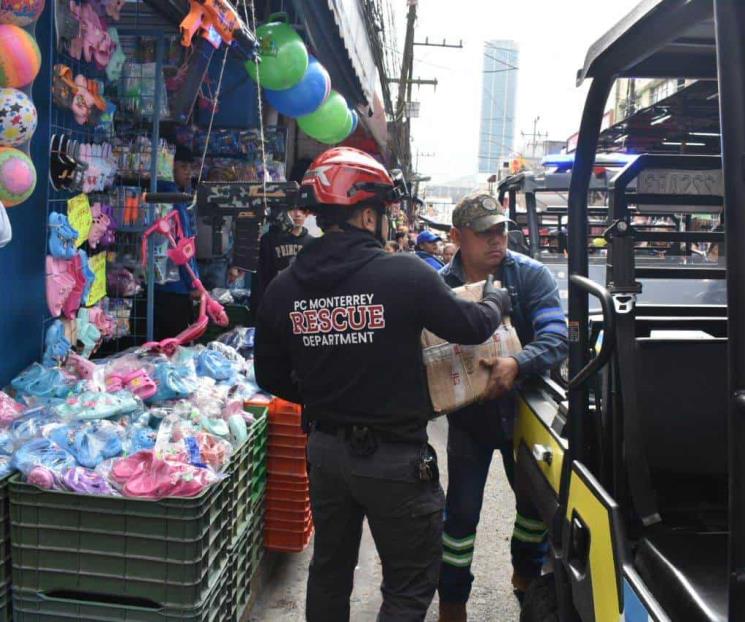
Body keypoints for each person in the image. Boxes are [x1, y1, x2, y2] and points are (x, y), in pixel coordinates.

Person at [254, 147, 512, 622]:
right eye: (387, 213)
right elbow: (472, 326)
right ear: (368, 214)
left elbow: (268, 375)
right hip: (396, 461)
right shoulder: (404, 274)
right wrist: (496, 298)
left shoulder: (284, 287)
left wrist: (323, 394)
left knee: (329, 574)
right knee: (409, 587)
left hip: (326, 453)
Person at [436, 193, 568, 622]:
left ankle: (526, 580)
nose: (497, 241)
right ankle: (453, 602)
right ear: (457, 237)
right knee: (461, 514)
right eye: (484, 233)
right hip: (469, 420)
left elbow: (556, 338)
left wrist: (517, 363)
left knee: (534, 508)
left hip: (527, 416)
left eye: (502, 231)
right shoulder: (440, 286)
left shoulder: (531, 277)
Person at [153, 146, 200, 340]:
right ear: (169, 167)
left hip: (162, 283)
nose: (188, 172)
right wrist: (193, 282)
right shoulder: (174, 199)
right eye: (183, 166)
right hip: (177, 286)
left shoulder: (161, 195)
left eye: (190, 167)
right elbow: (183, 246)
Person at [252, 207, 313, 313]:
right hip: (275, 301)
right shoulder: (269, 240)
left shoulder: (312, 243)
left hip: (301, 304)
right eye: (292, 210)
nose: (297, 214)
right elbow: (260, 278)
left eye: (302, 210)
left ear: (307, 214)